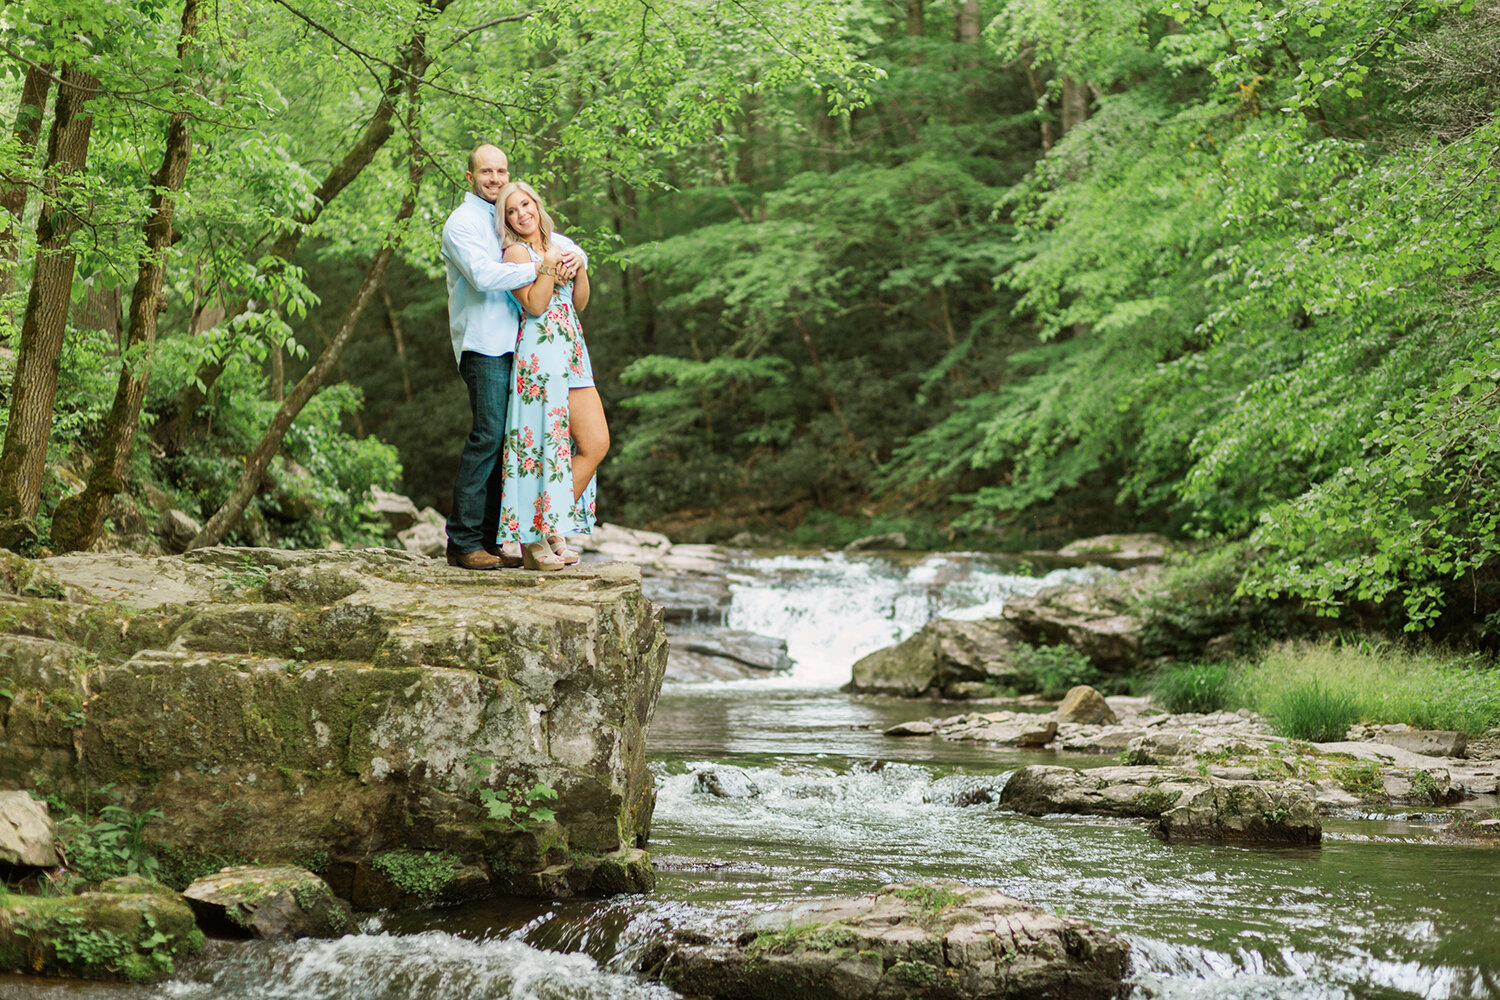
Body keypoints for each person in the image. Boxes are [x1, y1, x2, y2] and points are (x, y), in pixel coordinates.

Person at [439, 144, 583, 570]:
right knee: (487, 437)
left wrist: (575, 258)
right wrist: (543, 269)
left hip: (520, 349)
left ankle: (491, 540)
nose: (496, 178)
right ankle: (463, 542)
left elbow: (556, 242)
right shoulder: (462, 223)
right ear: (470, 177)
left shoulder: (501, 212)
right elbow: (484, 276)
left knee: (509, 444)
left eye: (501, 171)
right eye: (487, 172)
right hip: (484, 345)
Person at [494, 180, 610, 571]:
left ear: (536, 204)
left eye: (525, 204)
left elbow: (579, 303)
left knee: (595, 444)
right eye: (511, 210)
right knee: (540, 449)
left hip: (574, 351)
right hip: (540, 354)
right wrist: (548, 264)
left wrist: (578, 269)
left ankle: (549, 524)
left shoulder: (560, 242)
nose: (521, 213)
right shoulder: (514, 252)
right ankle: (531, 540)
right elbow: (537, 304)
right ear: (506, 220)